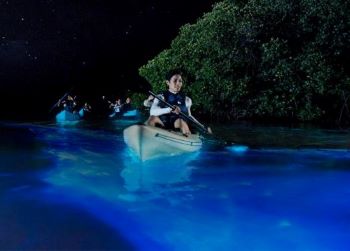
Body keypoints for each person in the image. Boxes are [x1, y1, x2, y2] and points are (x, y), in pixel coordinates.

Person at [146, 69, 203, 136]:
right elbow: (152, 112)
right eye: (175, 81)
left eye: (180, 81)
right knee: (152, 118)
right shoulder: (160, 97)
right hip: (163, 122)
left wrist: (202, 126)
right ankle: (148, 136)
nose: (178, 83)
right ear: (168, 82)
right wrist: (170, 109)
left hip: (177, 124)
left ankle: (187, 136)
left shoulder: (187, 100)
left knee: (181, 122)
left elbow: (189, 116)